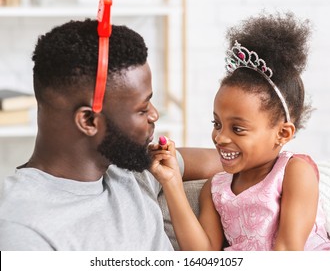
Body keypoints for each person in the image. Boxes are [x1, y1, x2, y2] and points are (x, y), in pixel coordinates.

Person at [0, 19, 223, 250]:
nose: (154, 115)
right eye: (142, 108)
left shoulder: (135, 168)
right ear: (88, 121)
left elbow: (237, 160)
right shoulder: (23, 230)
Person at [149, 12, 330, 250]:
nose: (220, 137)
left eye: (238, 129)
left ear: (283, 134)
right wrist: (172, 181)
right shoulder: (214, 189)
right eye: (217, 124)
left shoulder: (295, 172)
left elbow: (288, 251)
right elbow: (202, 256)